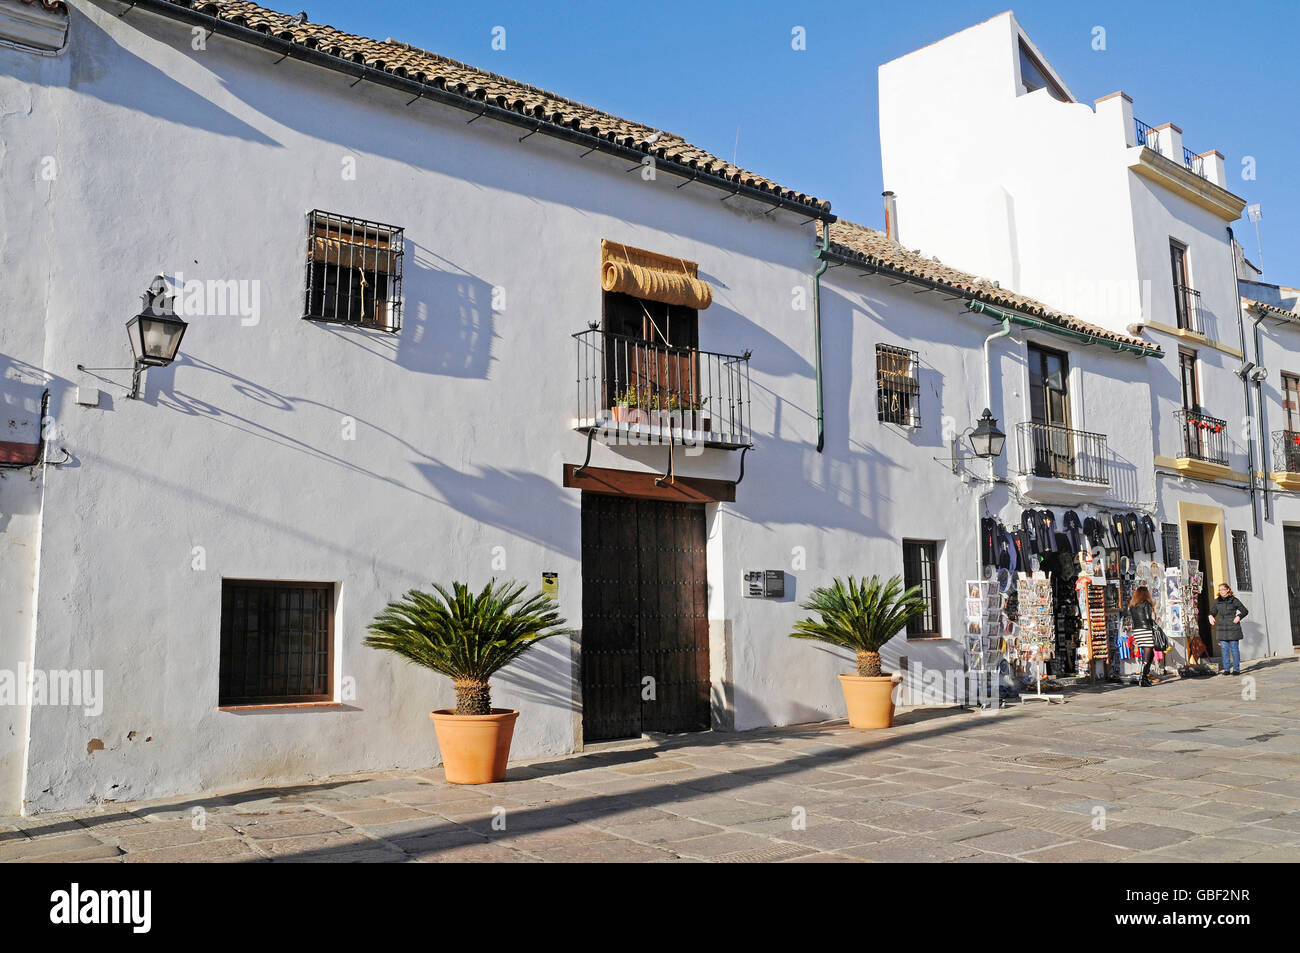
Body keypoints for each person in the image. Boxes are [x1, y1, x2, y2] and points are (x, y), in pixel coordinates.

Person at [1208, 583, 1248, 676]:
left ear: (1228, 590)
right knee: (1224, 649)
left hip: (1233, 627)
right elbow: (1213, 611)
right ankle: (1226, 669)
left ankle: (1236, 669)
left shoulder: (1234, 600)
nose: (1221, 591)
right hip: (1222, 628)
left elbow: (1245, 611)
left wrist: (1239, 616)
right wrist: (1210, 616)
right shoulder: (1217, 601)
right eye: (1220, 590)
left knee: (1234, 649)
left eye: (1223, 589)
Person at [1128, 586, 1158, 687]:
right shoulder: (1146, 603)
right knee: (1148, 654)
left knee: (1150, 654)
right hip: (1146, 630)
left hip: (1137, 631)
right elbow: (1148, 617)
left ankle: (1144, 677)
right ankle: (1143, 679)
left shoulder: (1132, 605)